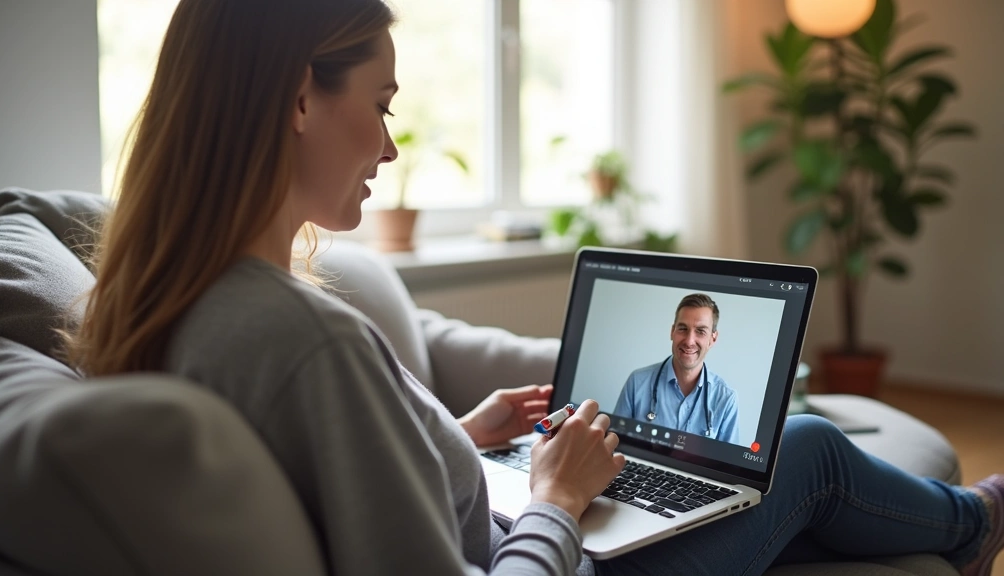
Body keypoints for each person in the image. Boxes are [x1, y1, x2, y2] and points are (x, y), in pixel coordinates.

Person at [65, 1, 1004, 574]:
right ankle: (976, 525)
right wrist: (555, 497)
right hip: (548, 553)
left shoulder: (182, 300)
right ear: (300, 97)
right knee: (810, 450)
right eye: (381, 106)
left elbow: (344, 476)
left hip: (519, 526)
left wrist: (456, 435)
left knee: (758, 488)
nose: (388, 147)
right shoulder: (304, 339)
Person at [613, 293, 740, 443]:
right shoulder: (637, 382)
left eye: (700, 331)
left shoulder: (726, 399)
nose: (689, 341)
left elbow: (726, 458)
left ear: (713, 339)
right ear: (672, 332)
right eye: (683, 328)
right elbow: (614, 444)